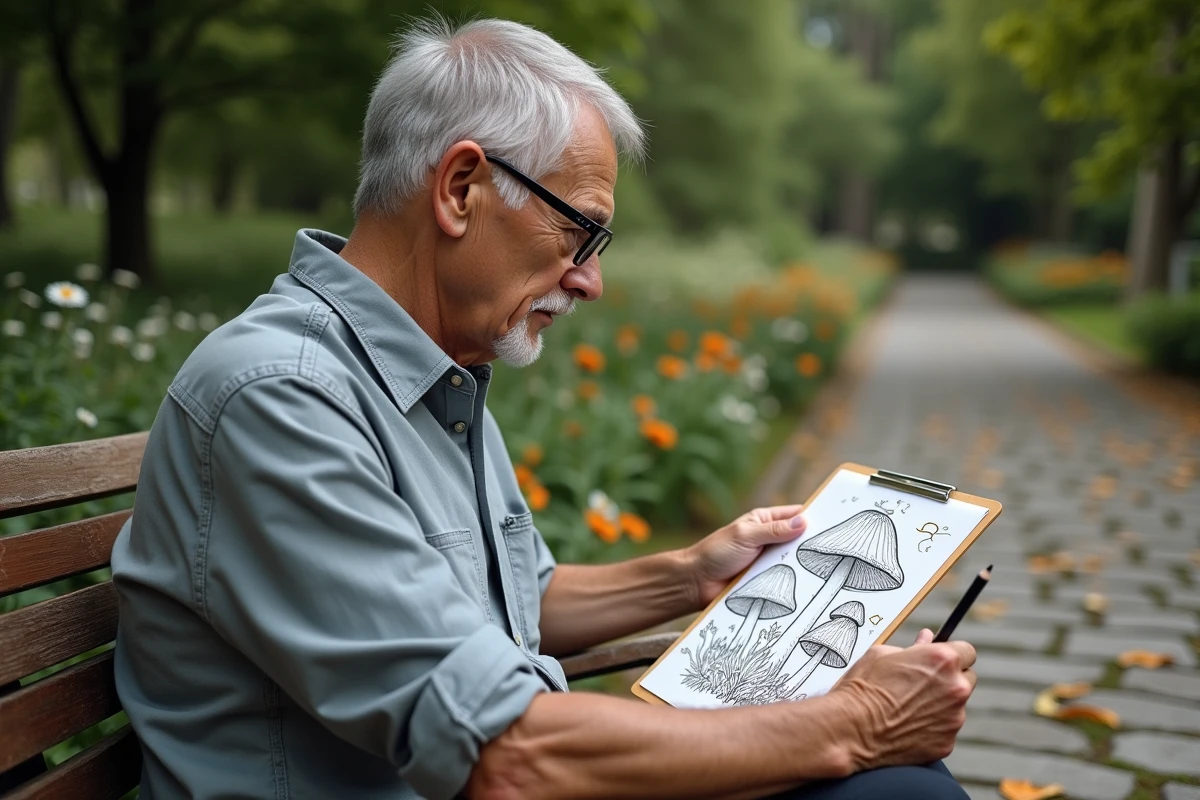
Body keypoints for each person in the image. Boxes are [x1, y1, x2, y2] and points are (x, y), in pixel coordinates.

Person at [110, 16, 976, 800]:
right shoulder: (283, 397)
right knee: (894, 786)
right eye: (580, 232)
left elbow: (510, 600)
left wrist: (689, 576)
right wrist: (856, 722)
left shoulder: (426, 365)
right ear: (460, 189)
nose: (591, 281)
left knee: (895, 784)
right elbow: (508, 754)